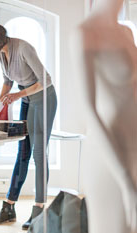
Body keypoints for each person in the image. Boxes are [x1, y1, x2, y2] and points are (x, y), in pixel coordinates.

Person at [0, 20, 57, 230]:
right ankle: (9, 207)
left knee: (38, 154)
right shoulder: (1, 53)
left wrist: (18, 95)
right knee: (22, 152)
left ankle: (38, 210)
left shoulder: (23, 48)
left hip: (43, 98)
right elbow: (8, 82)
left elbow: (45, 79)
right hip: (27, 99)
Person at [74, 0, 137, 232]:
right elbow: (89, 111)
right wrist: (126, 183)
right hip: (108, 157)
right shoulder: (84, 34)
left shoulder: (126, 31)